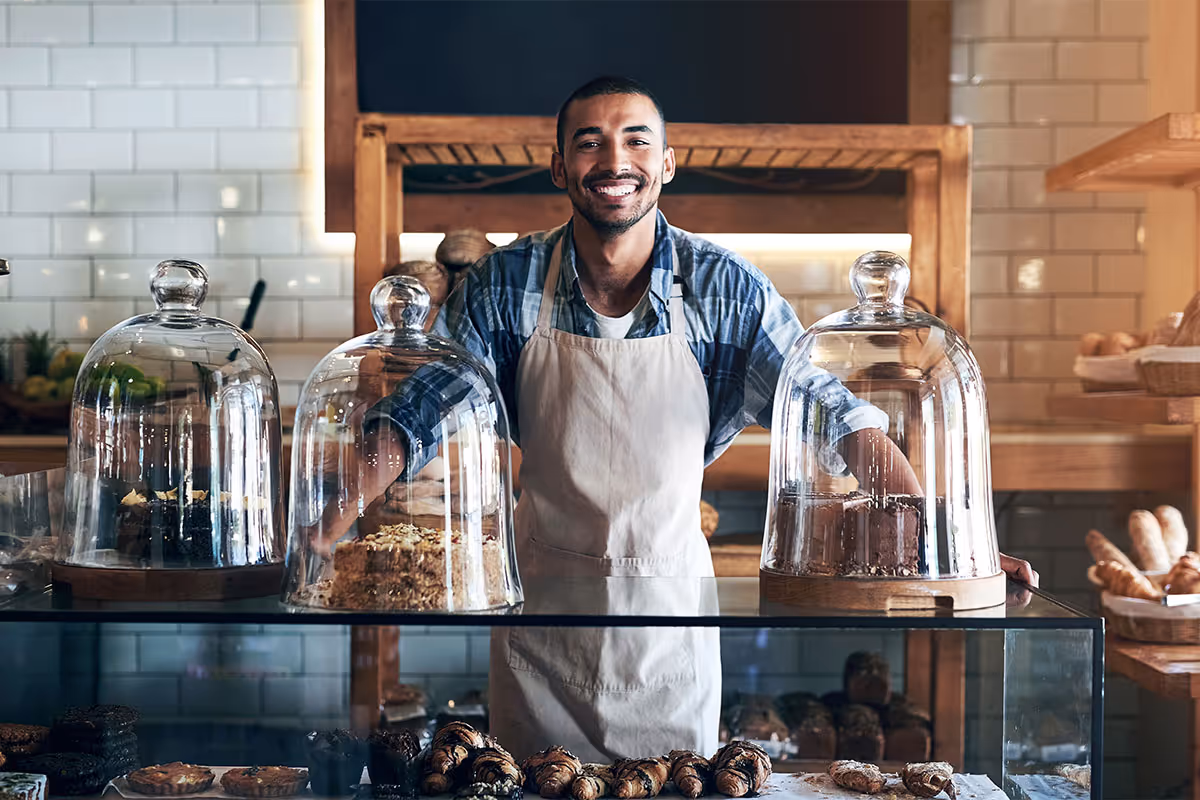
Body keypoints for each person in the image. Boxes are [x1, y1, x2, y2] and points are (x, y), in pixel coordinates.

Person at [332, 76, 1039, 760]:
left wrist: (949, 549)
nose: (615, 161)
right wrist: (323, 530)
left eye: (637, 142)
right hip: (543, 625)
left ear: (667, 164)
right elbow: (417, 414)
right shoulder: (503, 286)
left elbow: (836, 419)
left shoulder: (724, 290)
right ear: (558, 167)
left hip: (672, 620)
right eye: (590, 143)